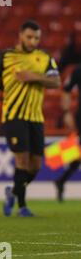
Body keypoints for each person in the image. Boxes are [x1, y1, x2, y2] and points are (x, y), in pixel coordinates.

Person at [0, 20, 61, 217]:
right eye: (29, 37)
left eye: (37, 38)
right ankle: (22, 206)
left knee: (36, 166)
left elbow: (56, 81)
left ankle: (12, 191)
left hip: (36, 118)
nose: (33, 41)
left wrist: (33, 76)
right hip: (14, 117)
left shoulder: (44, 58)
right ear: (21, 36)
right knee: (21, 161)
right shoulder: (5, 57)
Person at [54, 63, 81, 201]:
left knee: (78, 154)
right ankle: (60, 179)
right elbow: (66, 89)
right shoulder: (78, 70)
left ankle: (61, 180)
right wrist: (66, 112)